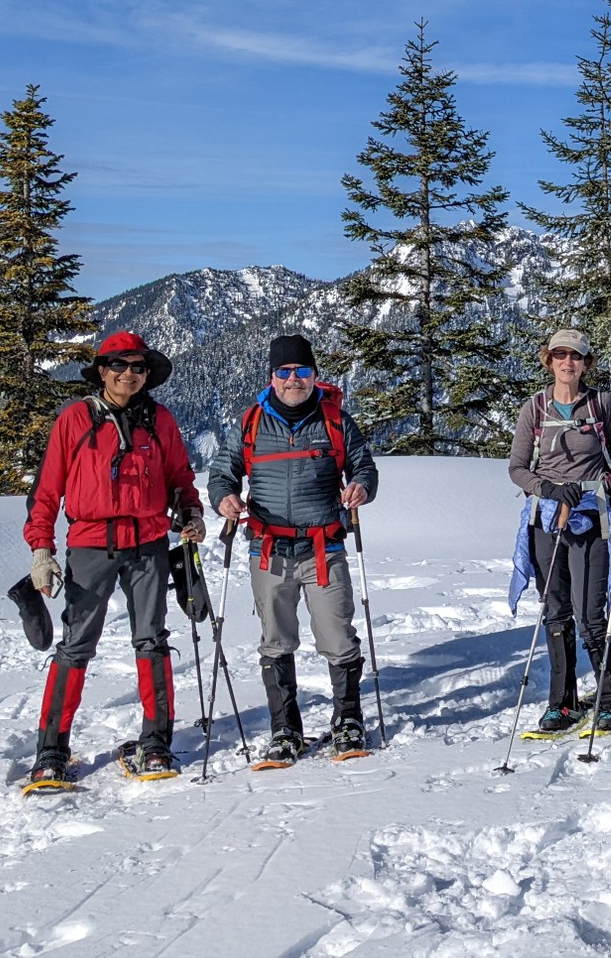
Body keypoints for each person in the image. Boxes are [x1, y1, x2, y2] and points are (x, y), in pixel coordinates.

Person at [23, 331, 204, 783]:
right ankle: (51, 750)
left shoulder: (160, 420)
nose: (129, 374)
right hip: (90, 543)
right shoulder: (75, 419)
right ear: (102, 371)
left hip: (149, 544)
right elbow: (46, 490)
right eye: (119, 365)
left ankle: (156, 742)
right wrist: (41, 548)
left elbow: (180, 477)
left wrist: (192, 512)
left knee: (152, 640)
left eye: (138, 367)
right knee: (76, 644)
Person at [209, 335, 380, 763]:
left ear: (314, 375)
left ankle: (348, 721)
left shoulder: (336, 421)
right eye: (284, 372)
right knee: (276, 641)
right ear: (272, 376)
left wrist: (362, 486)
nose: (293, 380)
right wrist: (223, 497)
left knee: (338, 637)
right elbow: (222, 471)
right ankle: (284, 729)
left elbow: (363, 465)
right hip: (268, 550)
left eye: (302, 371)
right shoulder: (250, 423)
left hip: (324, 548)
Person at [507, 328, 611, 734]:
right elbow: (517, 468)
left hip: (592, 516)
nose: (567, 362)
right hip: (546, 518)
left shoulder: (601, 404)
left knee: (591, 614)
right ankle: (562, 703)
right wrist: (547, 489)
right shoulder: (535, 407)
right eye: (560, 354)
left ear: (585, 363)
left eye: (575, 356)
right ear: (549, 360)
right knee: (556, 611)